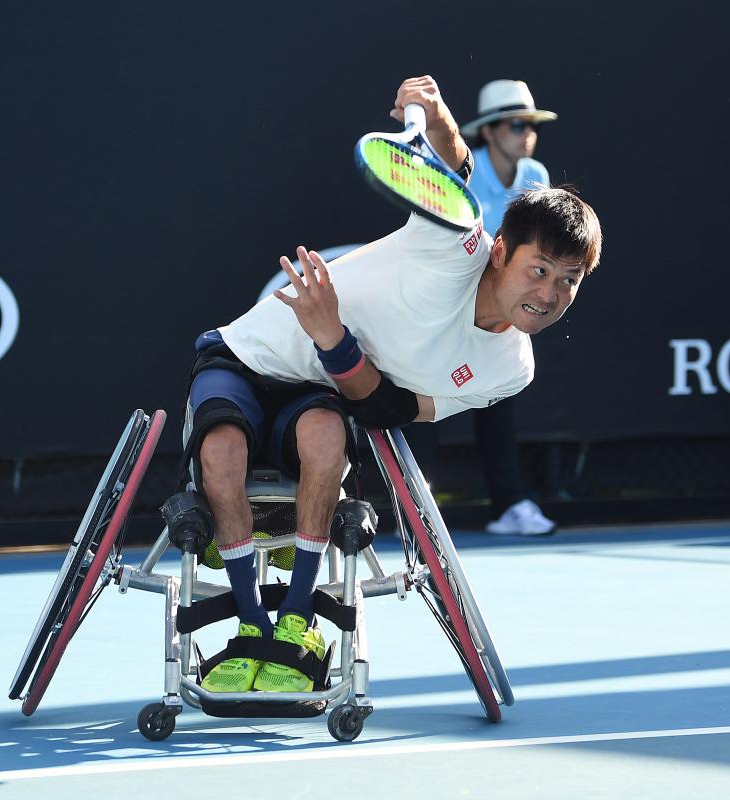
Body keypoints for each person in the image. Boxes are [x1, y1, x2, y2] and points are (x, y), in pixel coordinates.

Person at [188, 76, 602, 694]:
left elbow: (386, 407)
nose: (548, 294)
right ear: (498, 253)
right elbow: (450, 185)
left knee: (329, 440)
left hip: (320, 384)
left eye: (569, 280)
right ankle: (250, 626)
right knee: (222, 449)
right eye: (538, 271)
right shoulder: (454, 246)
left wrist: (333, 340)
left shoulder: (512, 367)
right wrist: (438, 119)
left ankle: (296, 621)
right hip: (249, 354)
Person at [461, 78, 562, 536]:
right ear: (490, 131)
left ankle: (509, 505)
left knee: (496, 399)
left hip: (500, 310)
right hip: (453, 303)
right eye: (517, 124)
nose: (527, 134)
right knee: (420, 400)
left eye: (532, 125)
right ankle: (412, 512)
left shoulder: (535, 176)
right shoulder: (461, 170)